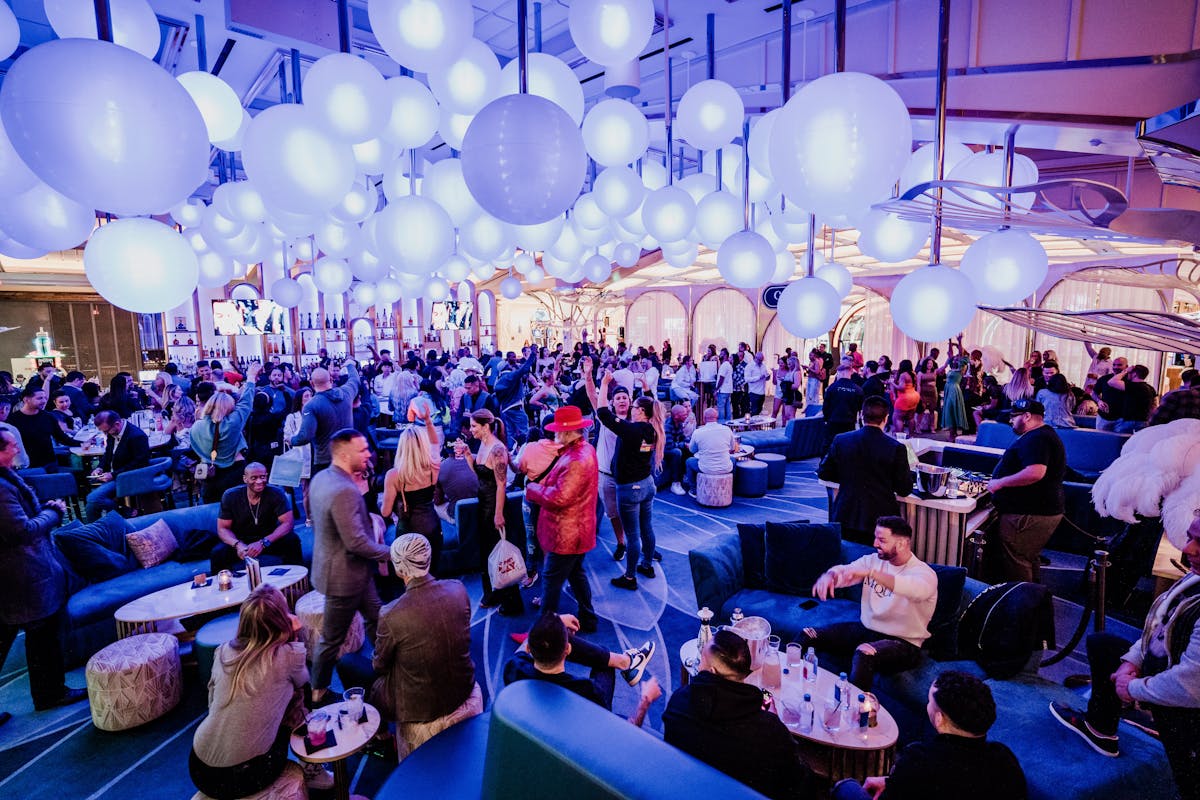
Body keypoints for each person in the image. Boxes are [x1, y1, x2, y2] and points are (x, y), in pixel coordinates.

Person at [1049, 515, 1200, 797]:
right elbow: (1157, 625)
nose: (1189, 549)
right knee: (1105, 645)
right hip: (1161, 675)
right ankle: (1100, 731)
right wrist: (1132, 662)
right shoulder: (1194, 578)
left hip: (1190, 716)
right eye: (1190, 537)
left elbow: (1191, 685)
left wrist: (1132, 688)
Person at [189, 584, 330, 797]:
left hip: (199, 767)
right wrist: (295, 634)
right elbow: (304, 682)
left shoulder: (222, 652)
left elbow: (211, 702)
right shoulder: (288, 655)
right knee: (299, 694)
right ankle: (314, 771)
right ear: (282, 620)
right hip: (249, 773)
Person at [359, 534, 483, 762]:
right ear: (428, 558)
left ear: (399, 569)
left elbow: (379, 664)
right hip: (462, 682)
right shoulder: (458, 589)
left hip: (421, 704)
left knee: (351, 664)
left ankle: (382, 737)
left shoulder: (391, 613)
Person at [663, 629, 811, 800]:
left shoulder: (679, 700)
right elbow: (793, 773)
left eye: (701, 659)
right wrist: (774, 719)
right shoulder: (770, 729)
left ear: (712, 671)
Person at [834, 671, 1027, 800]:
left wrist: (897, 782)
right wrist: (892, 781)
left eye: (929, 701)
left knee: (846, 787)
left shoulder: (919, 758)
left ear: (939, 718)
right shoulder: (1004, 757)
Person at [0, 428, 86, 715]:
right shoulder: (1, 488)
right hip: (22, 574)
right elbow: (21, 531)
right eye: (13, 445)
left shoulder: (6, 480)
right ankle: (50, 693)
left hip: (17, 574)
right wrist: (53, 513)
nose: (18, 449)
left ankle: (50, 691)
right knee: (41, 635)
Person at [802, 516, 938, 693]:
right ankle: (794, 686)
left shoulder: (924, 574)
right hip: (867, 630)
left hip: (905, 643)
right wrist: (831, 575)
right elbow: (846, 570)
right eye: (875, 537)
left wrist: (871, 573)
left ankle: (854, 715)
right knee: (809, 634)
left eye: (882, 540)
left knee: (864, 653)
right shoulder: (872, 561)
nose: (875, 543)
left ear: (903, 543)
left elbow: (912, 589)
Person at [308, 428, 391, 705]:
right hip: (344, 575)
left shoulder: (322, 477)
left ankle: (383, 668)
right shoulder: (344, 490)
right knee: (332, 639)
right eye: (362, 450)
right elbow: (356, 542)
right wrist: (394, 553)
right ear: (344, 455)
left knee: (378, 619)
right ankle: (318, 692)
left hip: (352, 571)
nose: (368, 453)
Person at [503, 612, 659, 725]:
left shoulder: (514, 669)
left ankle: (625, 662)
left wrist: (555, 623)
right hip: (582, 741)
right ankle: (626, 663)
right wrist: (645, 702)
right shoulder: (588, 692)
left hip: (538, 732)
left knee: (552, 638)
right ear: (568, 650)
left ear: (529, 649)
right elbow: (621, 734)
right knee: (603, 665)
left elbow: (527, 645)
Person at [526, 406, 600, 631]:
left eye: (558, 430)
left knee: (550, 580)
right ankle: (588, 619)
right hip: (577, 529)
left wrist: (533, 488)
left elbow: (559, 497)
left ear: (568, 433)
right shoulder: (584, 449)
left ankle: (542, 633)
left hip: (567, 533)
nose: (555, 434)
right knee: (577, 575)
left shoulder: (576, 458)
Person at [986, 398, 1066, 584]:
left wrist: (1000, 483)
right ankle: (1034, 598)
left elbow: (1035, 472)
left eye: (1014, 417)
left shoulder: (1037, 438)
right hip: (1039, 511)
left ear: (1027, 416)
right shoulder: (1043, 435)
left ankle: (1021, 607)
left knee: (1017, 562)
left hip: (1029, 514)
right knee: (1028, 557)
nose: (1011, 421)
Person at [818, 396, 913, 545]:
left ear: (861, 416)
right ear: (886, 418)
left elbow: (824, 472)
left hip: (845, 513)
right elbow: (905, 489)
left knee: (846, 561)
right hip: (880, 521)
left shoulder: (841, 440)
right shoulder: (896, 447)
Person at [598, 377, 664, 591]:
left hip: (630, 489)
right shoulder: (652, 429)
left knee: (633, 536)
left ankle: (629, 577)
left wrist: (605, 385)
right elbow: (653, 405)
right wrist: (646, 390)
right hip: (647, 485)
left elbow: (603, 414)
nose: (632, 408)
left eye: (635, 406)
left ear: (641, 412)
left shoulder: (633, 430)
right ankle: (646, 565)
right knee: (648, 527)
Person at [459, 409, 524, 616]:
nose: (471, 430)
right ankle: (494, 593)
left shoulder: (497, 449)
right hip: (483, 504)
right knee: (489, 553)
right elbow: (480, 476)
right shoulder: (484, 444)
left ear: (486, 426)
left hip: (494, 507)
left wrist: (498, 514)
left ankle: (512, 603)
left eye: (474, 426)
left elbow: (501, 485)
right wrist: (469, 455)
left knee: (501, 554)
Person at [190, 363, 262, 504]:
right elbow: (246, 402)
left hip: (210, 477)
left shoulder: (196, 428)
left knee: (215, 517)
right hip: (234, 473)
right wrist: (251, 377)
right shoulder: (232, 423)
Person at [380, 420, 444, 575]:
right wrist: (428, 420)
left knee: (411, 577)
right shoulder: (433, 468)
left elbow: (385, 512)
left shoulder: (394, 475)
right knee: (432, 573)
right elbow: (435, 443)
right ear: (424, 446)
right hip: (432, 526)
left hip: (408, 531)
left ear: (402, 447)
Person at [211, 462, 300, 572]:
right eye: (254, 478)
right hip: (241, 541)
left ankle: (296, 583)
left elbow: (288, 523)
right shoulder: (230, 496)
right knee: (218, 552)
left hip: (268, 539)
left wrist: (263, 543)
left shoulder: (276, 493)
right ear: (245, 479)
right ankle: (224, 586)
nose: (259, 481)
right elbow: (223, 528)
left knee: (292, 540)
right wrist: (238, 545)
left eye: (262, 477)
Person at [289, 361, 360, 476]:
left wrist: (291, 440)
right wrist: (350, 365)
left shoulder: (311, 405)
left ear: (312, 383)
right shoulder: (346, 393)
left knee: (326, 493)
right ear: (331, 380)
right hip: (348, 456)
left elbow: (305, 436)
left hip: (325, 460)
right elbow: (355, 380)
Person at [83, 410, 151, 521]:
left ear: (117, 424)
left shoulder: (136, 436)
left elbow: (140, 463)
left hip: (127, 477)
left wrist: (113, 475)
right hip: (113, 475)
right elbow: (108, 454)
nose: (105, 434)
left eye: (106, 431)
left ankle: (122, 512)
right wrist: (100, 467)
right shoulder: (112, 432)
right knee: (90, 501)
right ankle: (103, 525)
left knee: (93, 498)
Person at [8, 386, 77, 470]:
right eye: (39, 398)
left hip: (50, 463)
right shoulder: (13, 420)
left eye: (45, 398)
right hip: (28, 467)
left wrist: (83, 443)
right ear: (26, 400)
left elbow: (61, 437)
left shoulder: (48, 417)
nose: (44, 401)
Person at [493, 347, 538, 449]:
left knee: (510, 434)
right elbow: (524, 369)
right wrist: (533, 354)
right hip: (515, 408)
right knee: (524, 431)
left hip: (505, 409)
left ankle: (512, 453)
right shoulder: (510, 376)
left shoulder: (499, 379)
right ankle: (527, 451)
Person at [686, 407, 737, 494]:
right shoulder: (727, 430)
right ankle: (732, 487)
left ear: (704, 418)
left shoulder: (698, 432)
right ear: (717, 417)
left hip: (706, 468)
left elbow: (692, 450)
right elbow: (732, 448)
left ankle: (693, 489)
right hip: (725, 468)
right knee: (733, 460)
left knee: (689, 461)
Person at [282, 388, 313, 518]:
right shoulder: (293, 417)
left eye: (311, 395)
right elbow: (287, 436)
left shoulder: (314, 413)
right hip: (301, 455)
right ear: (300, 399)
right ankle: (308, 517)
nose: (310, 398)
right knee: (306, 489)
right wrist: (297, 439)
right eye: (306, 396)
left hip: (316, 453)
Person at [823, 361, 865, 451]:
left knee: (830, 444)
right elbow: (860, 409)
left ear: (839, 373)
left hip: (833, 421)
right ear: (851, 373)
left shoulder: (832, 387)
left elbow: (826, 406)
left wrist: (826, 419)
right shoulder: (858, 390)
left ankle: (828, 463)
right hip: (849, 422)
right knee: (847, 445)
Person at [1106, 364, 1158, 433]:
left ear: (1134, 374)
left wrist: (1125, 371)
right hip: (1144, 423)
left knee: (1120, 442)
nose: (1128, 375)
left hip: (1130, 423)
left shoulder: (1132, 386)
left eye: (1130, 373)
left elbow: (1111, 382)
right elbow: (1154, 406)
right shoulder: (1151, 388)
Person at [662, 403, 697, 495]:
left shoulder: (679, 423)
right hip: (664, 451)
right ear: (677, 416)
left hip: (674, 446)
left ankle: (689, 477)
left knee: (691, 448)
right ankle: (675, 483)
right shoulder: (667, 426)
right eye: (684, 414)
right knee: (677, 452)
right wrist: (683, 444)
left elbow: (682, 437)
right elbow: (669, 445)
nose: (687, 415)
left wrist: (689, 442)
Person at [1093, 355, 1129, 432]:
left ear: (1126, 367)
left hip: (1122, 418)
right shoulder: (1104, 378)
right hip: (1103, 416)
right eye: (1114, 365)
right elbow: (1094, 393)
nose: (1116, 367)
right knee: (1101, 440)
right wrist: (1099, 401)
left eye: (1119, 365)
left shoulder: (1130, 381)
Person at [0, 399, 29, 470]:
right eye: (8, 409)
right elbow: (22, 461)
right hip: (8, 471)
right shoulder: (9, 428)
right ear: (4, 409)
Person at [715, 352, 734, 422]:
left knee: (721, 407)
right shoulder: (729, 365)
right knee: (727, 406)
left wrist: (716, 389)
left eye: (721, 354)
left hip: (723, 389)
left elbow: (721, 378)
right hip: (728, 390)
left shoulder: (724, 366)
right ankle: (728, 422)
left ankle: (721, 422)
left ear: (725, 355)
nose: (720, 355)